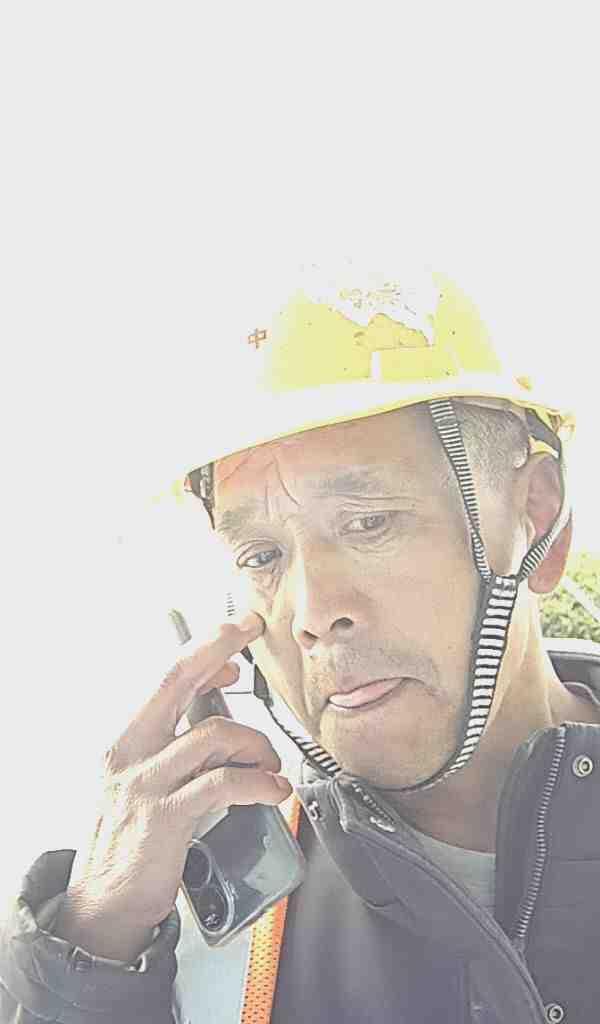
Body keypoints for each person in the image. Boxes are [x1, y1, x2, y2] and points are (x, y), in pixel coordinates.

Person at [2, 267, 599, 1024]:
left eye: (369, 523)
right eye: (261, 557)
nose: (313, 615)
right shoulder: (174, 935)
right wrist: (89, 962)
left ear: (537, 520)